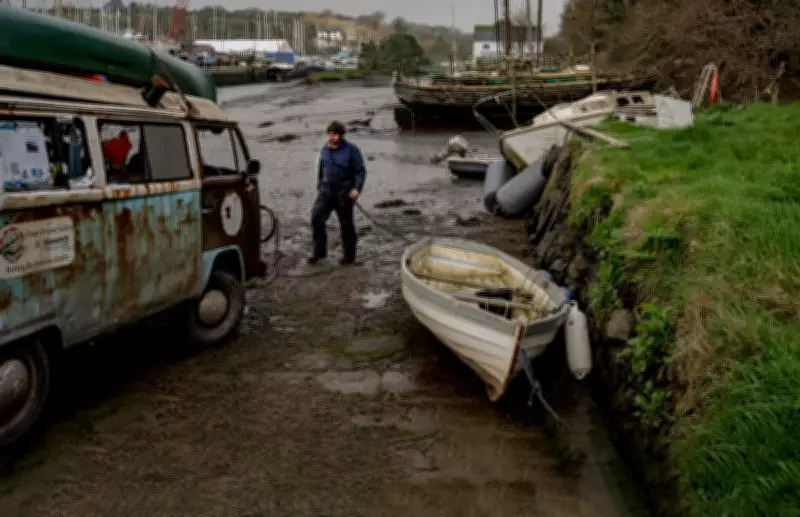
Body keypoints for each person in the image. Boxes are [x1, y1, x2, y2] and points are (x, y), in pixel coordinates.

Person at [309, 121, 366, 265]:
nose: (331, 137)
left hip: (344, 194)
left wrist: (356, 189)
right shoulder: (325, 149)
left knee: (346, 225)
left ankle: (349, 256)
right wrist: (320, 185)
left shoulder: (351, 150)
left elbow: (360, 171)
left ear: (341, 135)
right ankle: (319, 252)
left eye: (334, 134)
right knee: (316, 218)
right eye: (329, 134)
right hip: (326, 192)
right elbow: (321, 169)